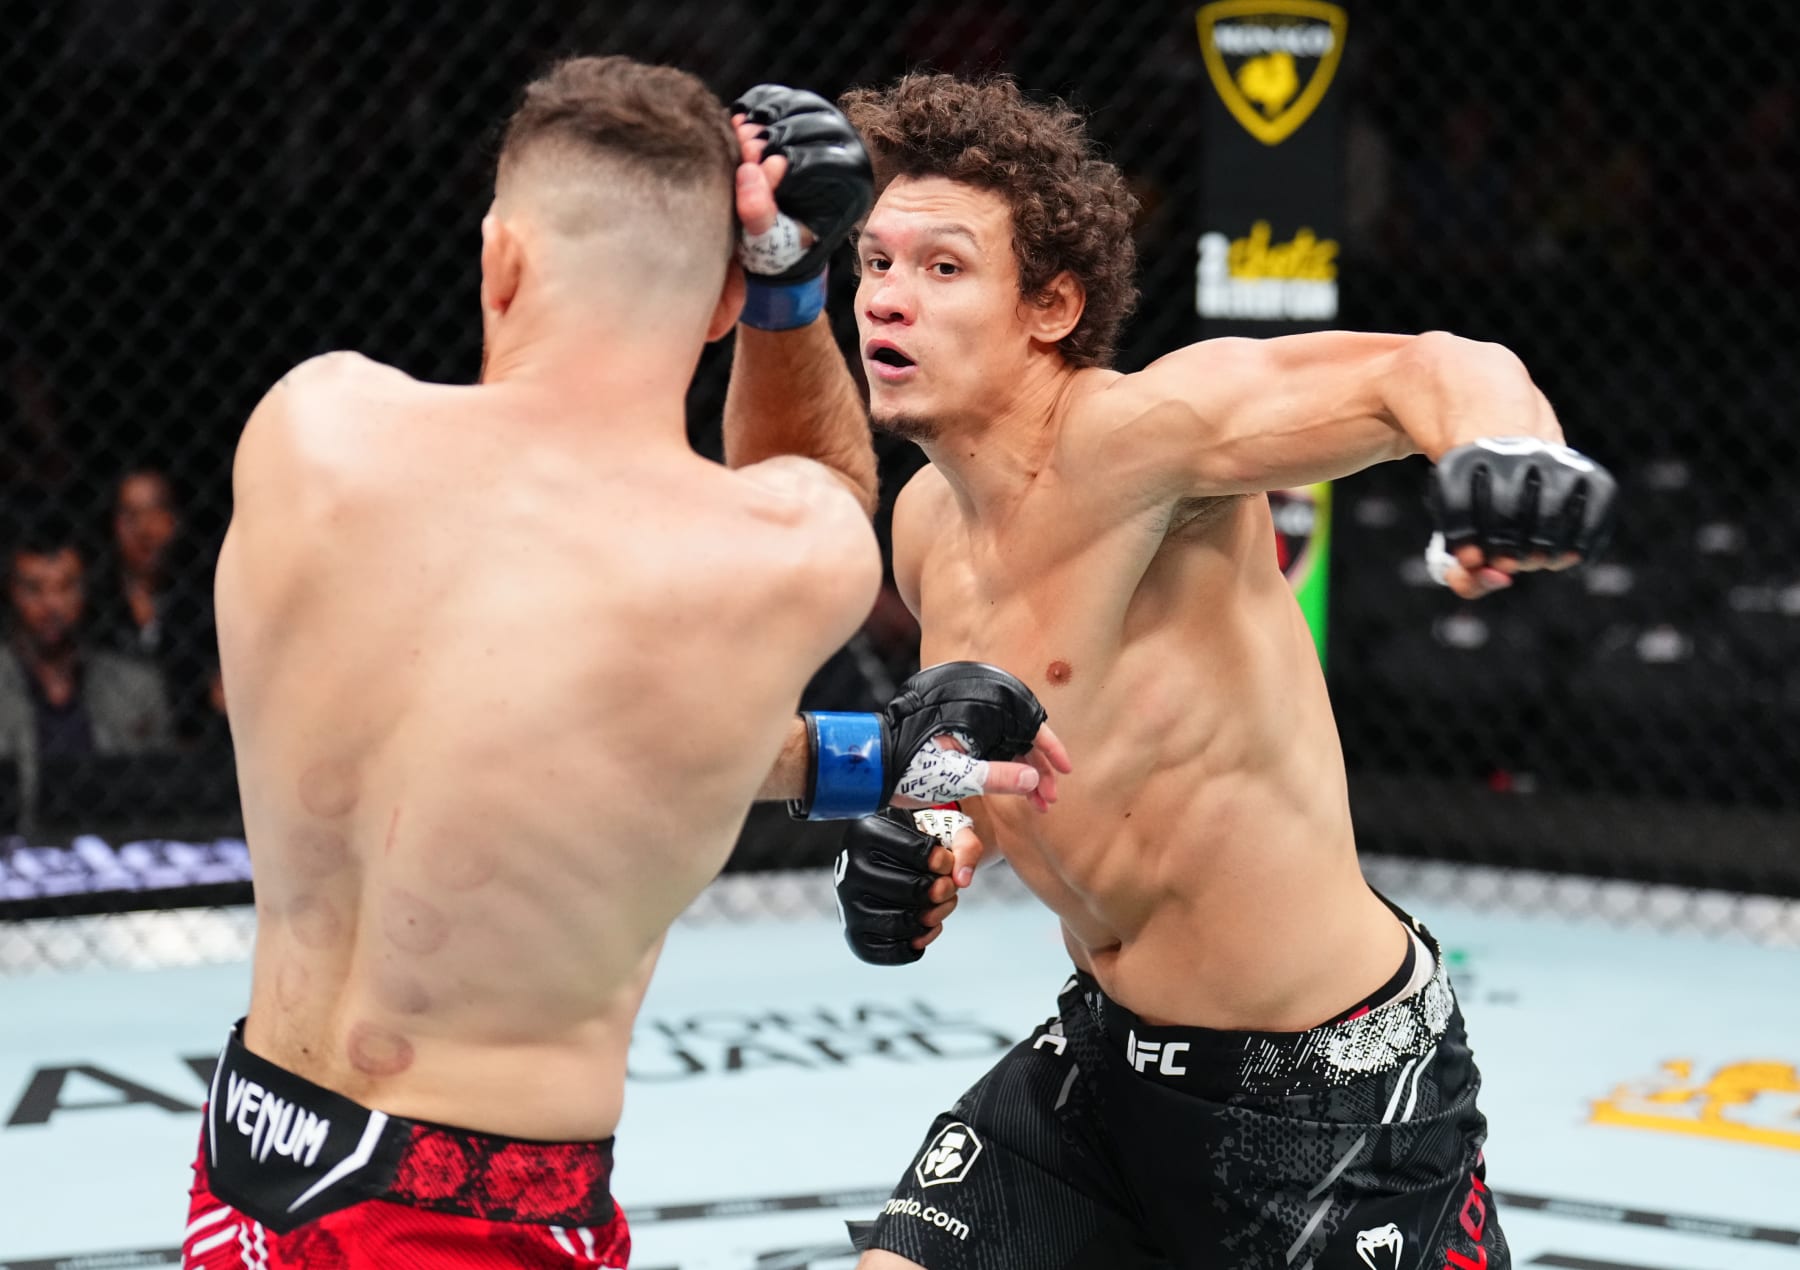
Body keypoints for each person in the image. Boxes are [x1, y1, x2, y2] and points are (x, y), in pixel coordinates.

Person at [183, 59, 1058, 1268]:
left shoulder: (307, 430)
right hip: (474, 1207)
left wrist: (853, 761)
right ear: (714, 309)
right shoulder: (756, 557)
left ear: (499, 259)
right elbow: (805, 493)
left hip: (247, 1163)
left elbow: (526, 734)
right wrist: (786, 284)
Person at [814, 74, 1618, 1269]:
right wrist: (934, 846)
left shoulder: (1141, 441)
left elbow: (1430, 366)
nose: (888, 297)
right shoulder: (929, 521)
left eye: (942, 268)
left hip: (1330, 1102)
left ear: (1052, 305)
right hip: (1105, 1067)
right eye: (877, 263)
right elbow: (1003, 754)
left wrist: (1503, 448)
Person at [0, 529, 172, 777]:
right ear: (11, 592)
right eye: (34, 589)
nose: (51, 605)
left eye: (65, 587)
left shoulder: (136, 687)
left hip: (114, 814)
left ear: (85, 590)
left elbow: (166, 786)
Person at [89, 467, 224, 740]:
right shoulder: (93, 605)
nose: (143, 529)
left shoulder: (204, 607)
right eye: (130, 515)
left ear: (175, 520)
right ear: (113, 524)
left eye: (155, 511)